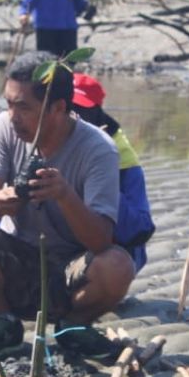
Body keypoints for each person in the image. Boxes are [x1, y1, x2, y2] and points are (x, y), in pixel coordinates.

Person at [0, 51, 133, 362]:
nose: (12, 115)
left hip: (69, 272)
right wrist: (0, 202)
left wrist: (65, 195)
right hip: (15, 260)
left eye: (23, 107)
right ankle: (3, 324)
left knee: (118, 265)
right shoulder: (4, 127)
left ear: (59, 108)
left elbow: (101, 240)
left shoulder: (99, 149)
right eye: (8, 103)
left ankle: (72, 328)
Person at [70, 73, 155, 272]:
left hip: (113, 253)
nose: (74, 115)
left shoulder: (121, 156)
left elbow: (138, 231)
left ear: (97, 112)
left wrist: (99, 173)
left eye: (80, 109)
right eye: (68, 107)